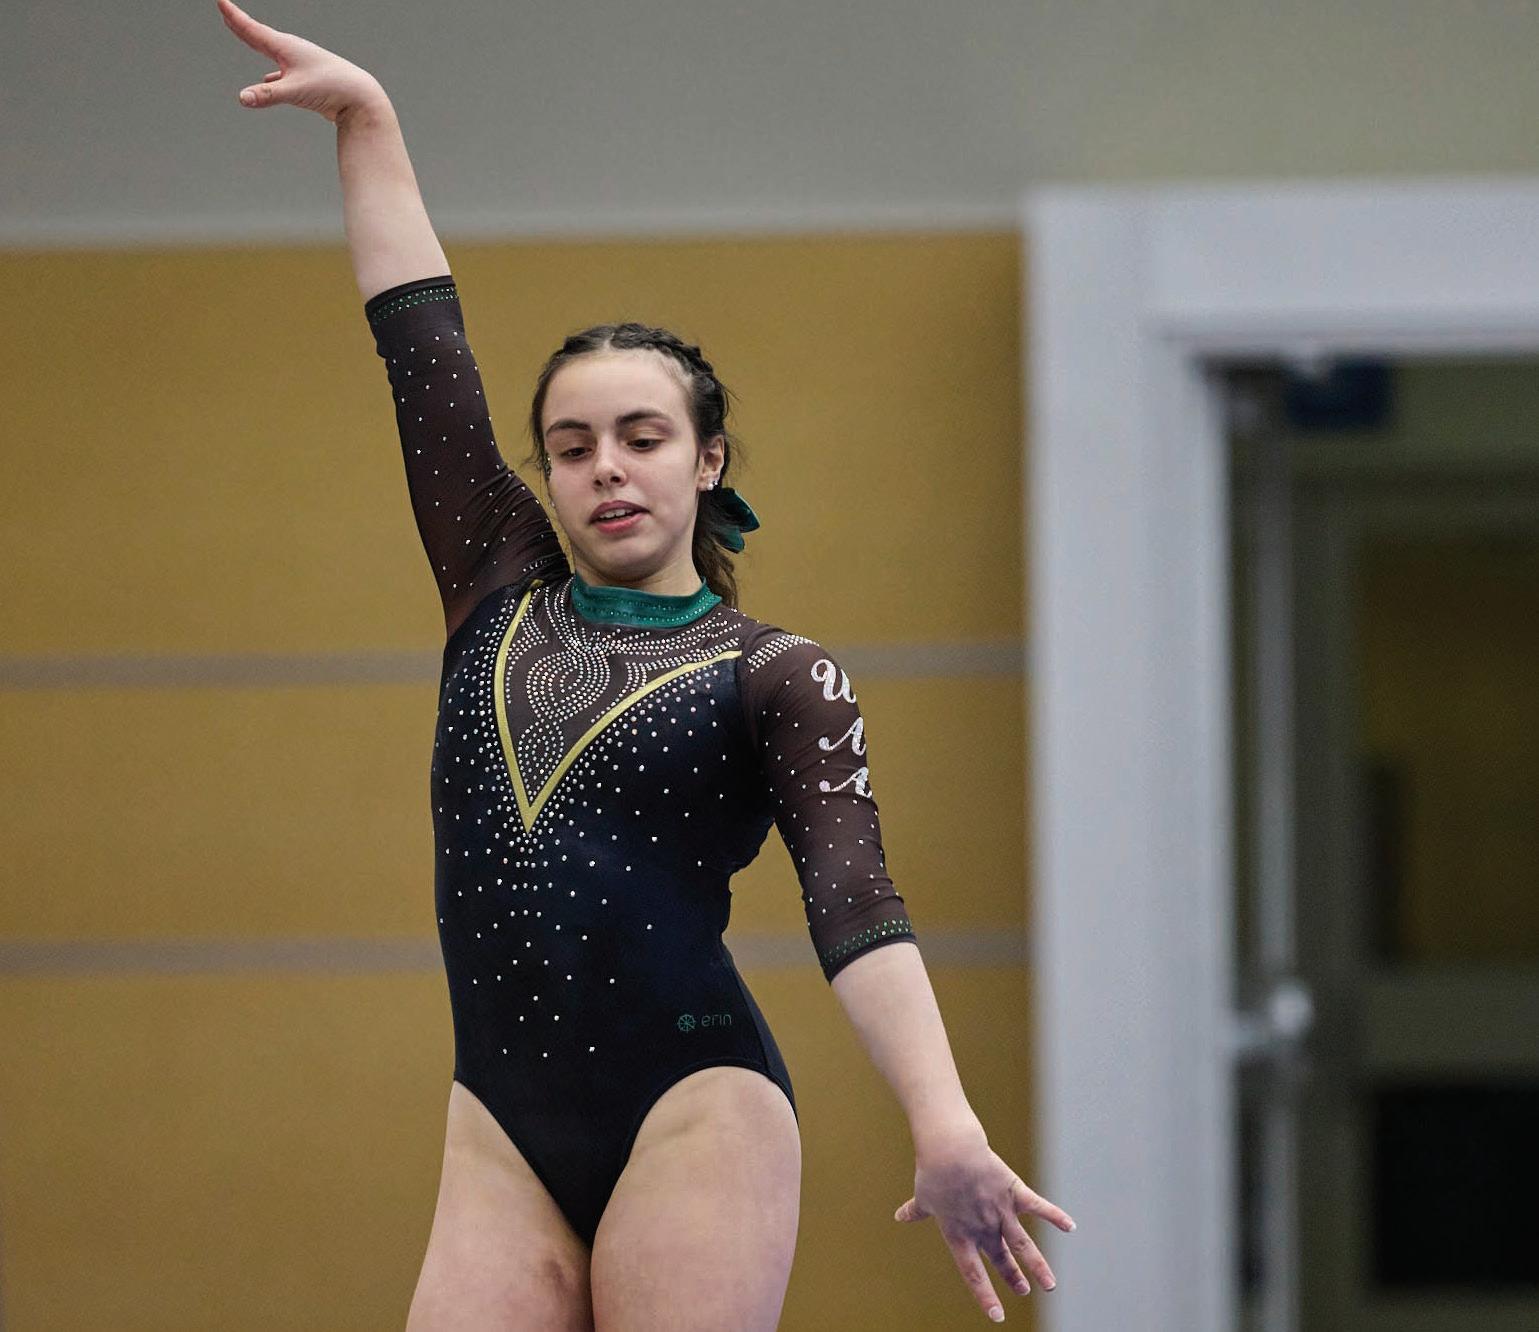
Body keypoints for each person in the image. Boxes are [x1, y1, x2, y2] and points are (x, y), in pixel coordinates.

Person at [217, 3, 1075, 1327]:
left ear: (707, 460)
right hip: (498, 1124)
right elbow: (421, 350)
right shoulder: (494, 587)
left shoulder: (775, 677)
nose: (605, 468)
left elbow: (856, 906)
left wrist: (944, 1121)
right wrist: (368, 121)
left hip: (698, 1108)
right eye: (572, 448)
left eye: (642, 437)